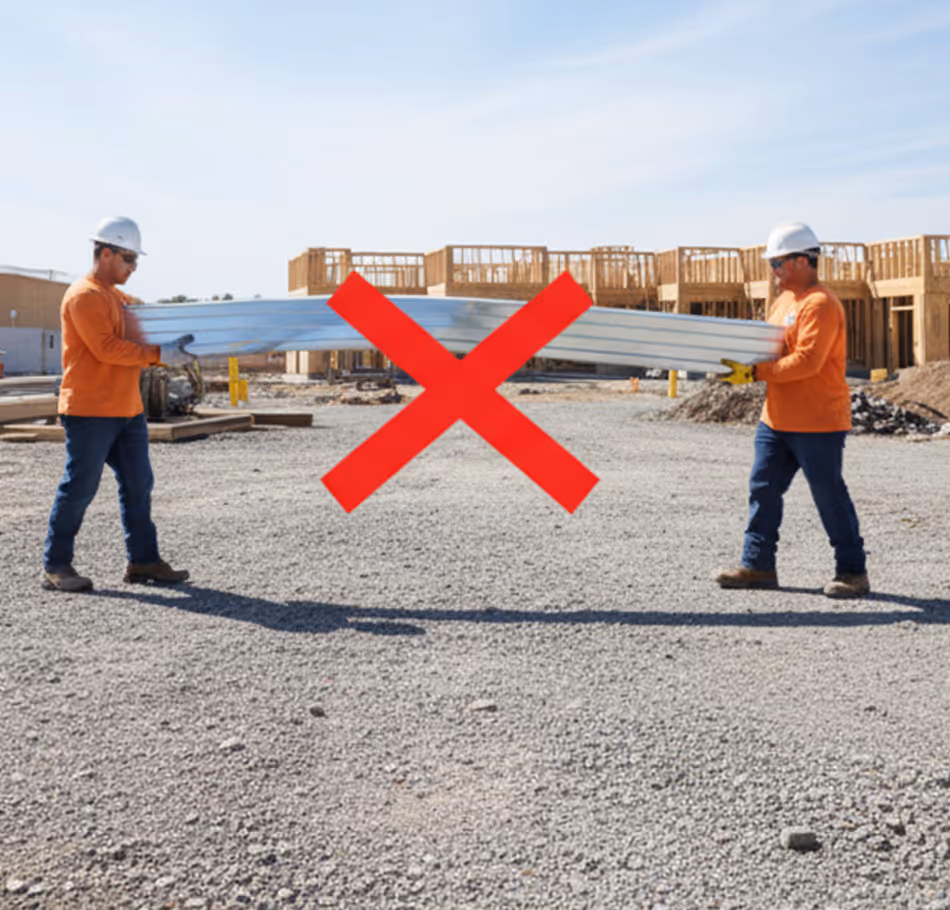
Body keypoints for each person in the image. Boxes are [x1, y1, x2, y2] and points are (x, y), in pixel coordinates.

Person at [714, 221, 869, 599]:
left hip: (817, 421)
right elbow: (773, 348)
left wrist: (754, 372)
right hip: (777, 419)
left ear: (803, 261)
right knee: (762, 489)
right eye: (773, 263)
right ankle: (758, 565)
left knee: (828, 494)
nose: (774, 271)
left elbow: (807, 362)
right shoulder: (783, 302)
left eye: (779, 263)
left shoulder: (821, 304)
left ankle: (852, 572)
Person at [43, 216, 195, 592]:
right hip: (90, 410)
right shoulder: (84, 296)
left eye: (136, 260)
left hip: (127, 410)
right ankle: (56, 565)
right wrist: (161, 353)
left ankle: (143, 561)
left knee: (138, 484)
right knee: (79, 487)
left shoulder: (120, 299)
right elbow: (106, 348)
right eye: (128, 259)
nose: (134, 267)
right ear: (106, 253)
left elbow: (146, 321)